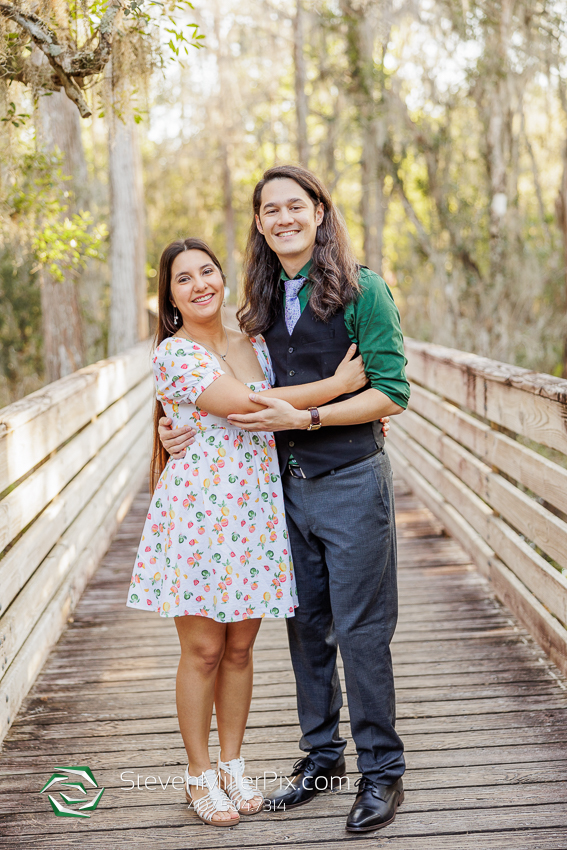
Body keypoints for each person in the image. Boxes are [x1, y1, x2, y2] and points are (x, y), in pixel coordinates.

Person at [159, 165, 410, 832]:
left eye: (293, 205)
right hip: (280, 496)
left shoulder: (365, 291)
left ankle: (381, 774)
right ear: (260, 225)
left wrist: (314, 417)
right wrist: (172, 426)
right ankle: (321, 759)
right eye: (268, 210)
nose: (281, 218)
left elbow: (392, 392)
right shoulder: (260, 305)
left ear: (320, 212)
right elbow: (218, 390)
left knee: (360, 635)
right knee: (306, 633)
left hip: (352, 483)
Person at [126, 236, 367, 827]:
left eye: (207, 270)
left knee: (240, 650)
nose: (200, 284)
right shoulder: (175, 356)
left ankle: (233, 767)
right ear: (171, 297)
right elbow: (250, 411)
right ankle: (198, 775)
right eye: (184, 279)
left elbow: (272, 406)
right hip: (200, 517)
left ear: (222, 276)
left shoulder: (254, 341)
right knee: (203, 650)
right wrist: (339, 387)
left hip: (256, 514)